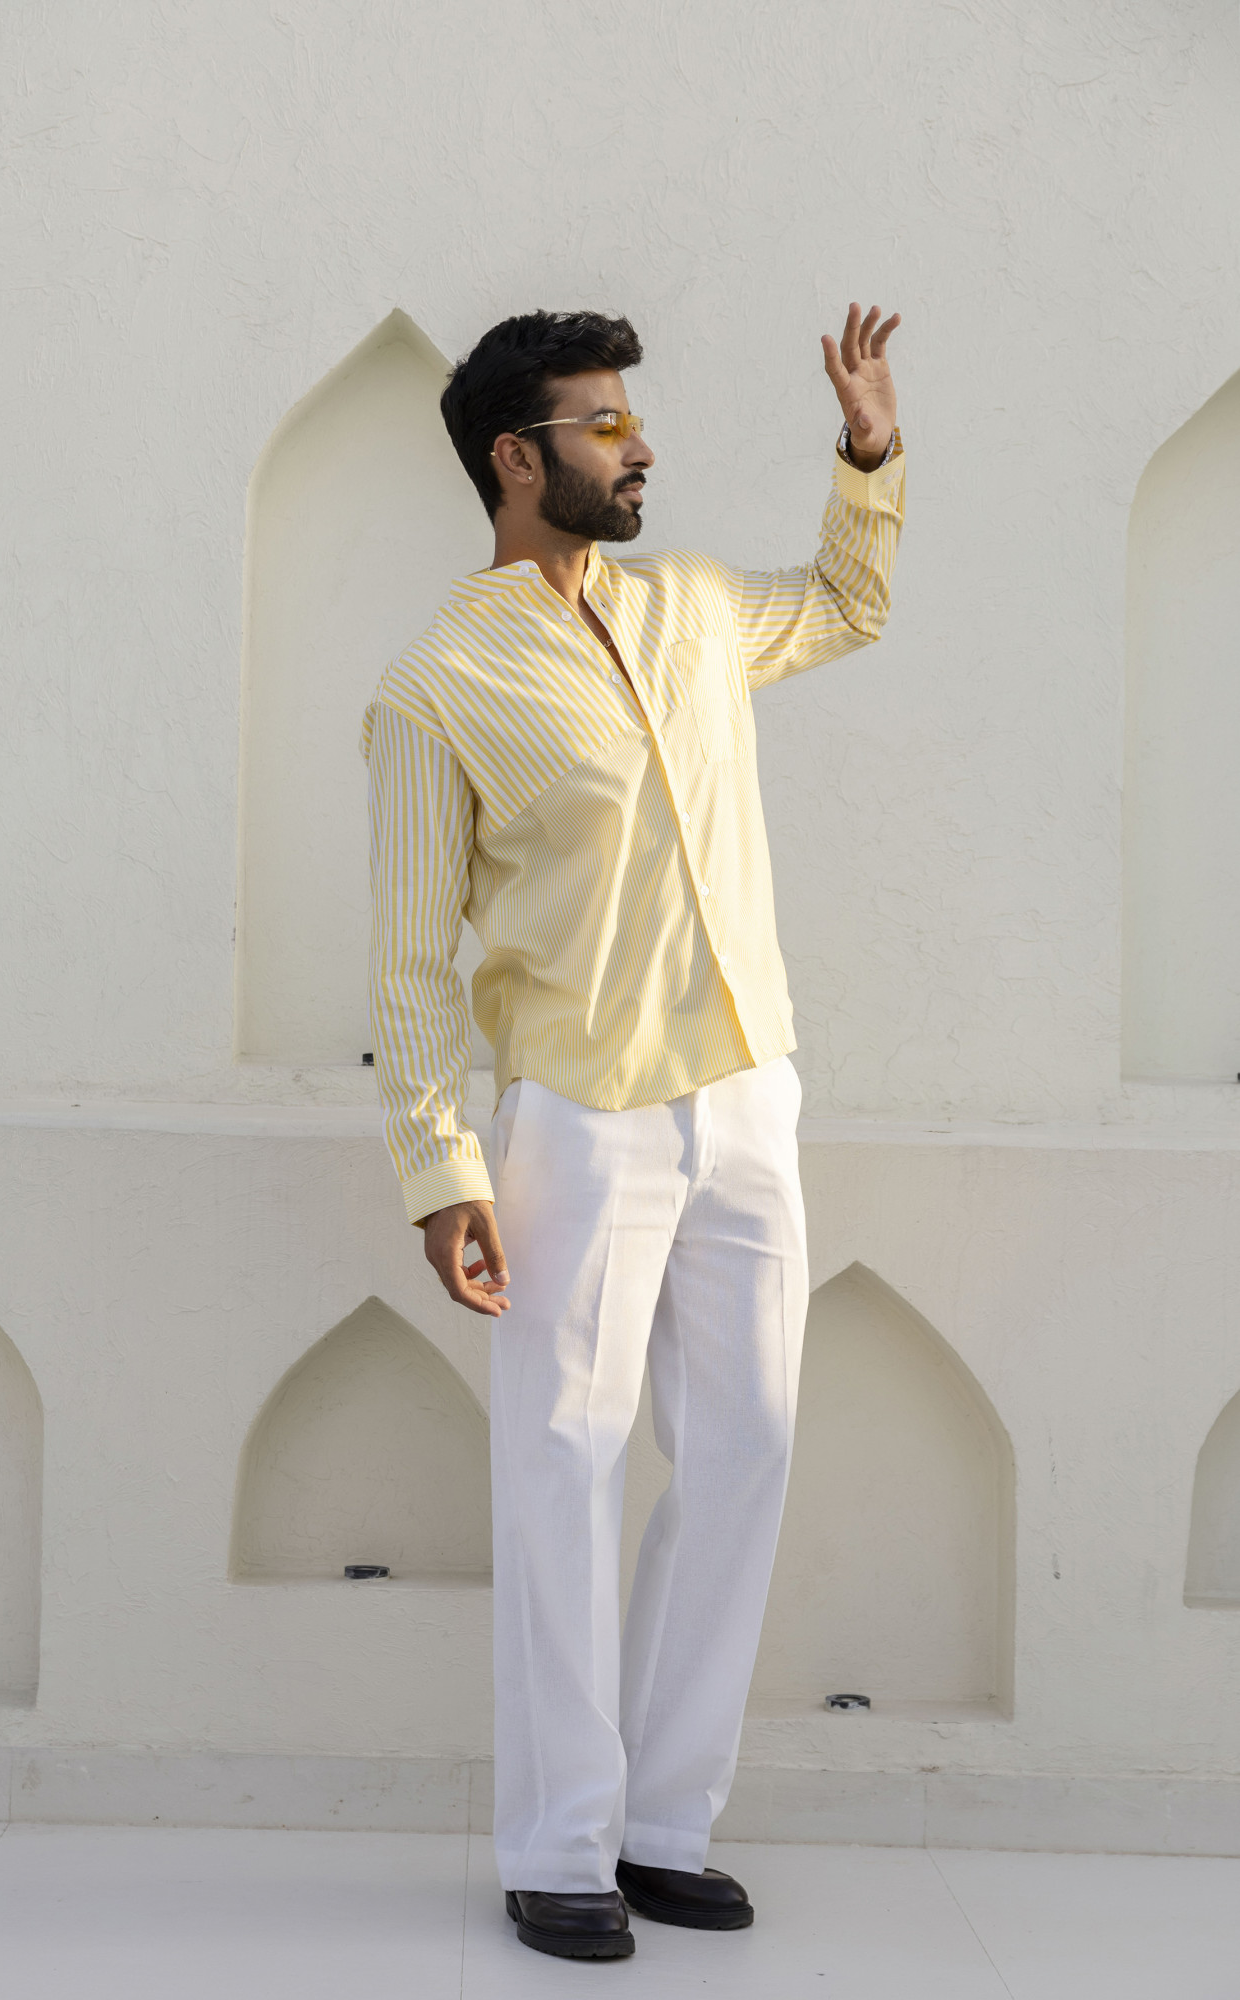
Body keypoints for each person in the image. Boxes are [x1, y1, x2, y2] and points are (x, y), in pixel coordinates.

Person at [363, 305, 903, 1961]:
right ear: (515, 459)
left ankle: (667, 1822)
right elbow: (406, 960)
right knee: (562, 1472)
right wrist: (438, 1168)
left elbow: (849, 605)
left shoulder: (690, 609)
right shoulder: (434, 687)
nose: (638, 445)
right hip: (573, 1127)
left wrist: (866, 455)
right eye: (600, 426)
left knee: (741, 1453)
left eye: (631, 420)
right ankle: (556, 1847)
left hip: (749, 1092)